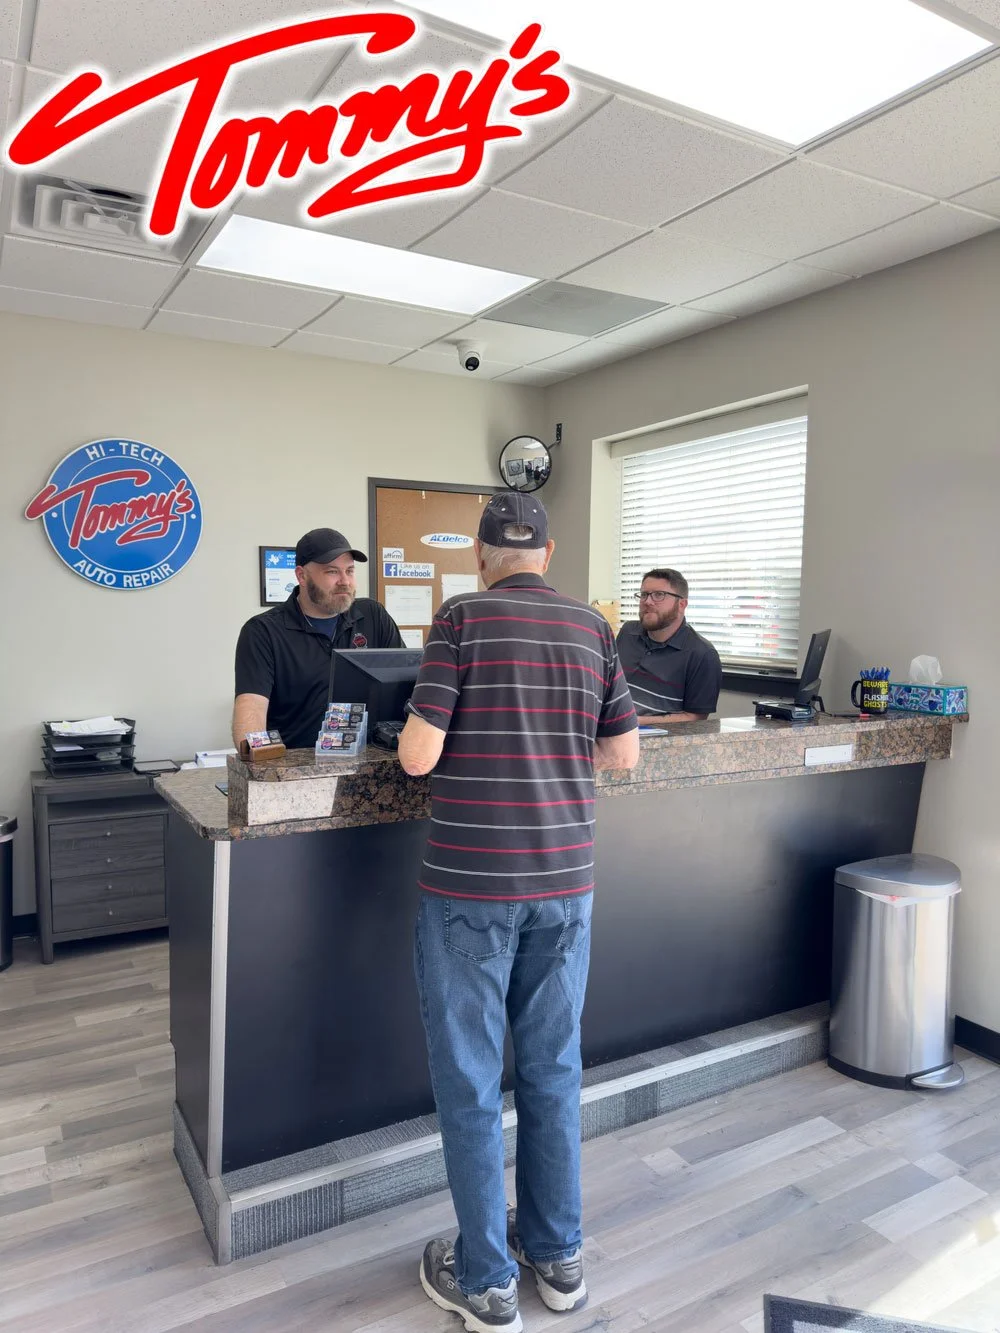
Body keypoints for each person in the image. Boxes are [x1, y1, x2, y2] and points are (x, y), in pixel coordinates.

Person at [397, 491, 639, 1333]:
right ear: (548, 550)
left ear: (479, 553)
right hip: (566, 884)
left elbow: (418, 755)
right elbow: (623, 752)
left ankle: (489, 1281)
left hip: (471, 886)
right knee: (551, 1069)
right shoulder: (595, 627)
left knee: (470, 1082)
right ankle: (558, 1256)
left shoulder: (460, 619)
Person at [232, 527, 402, 749]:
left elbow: (405, 685)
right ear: (302, 575)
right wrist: (261, 762)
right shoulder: (262, 631)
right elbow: (251, 709)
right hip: (296, 767)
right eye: (332, 572)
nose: (344, 581)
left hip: (373, 758)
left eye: (349, 571)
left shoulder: (373, 616)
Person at [616, 567, 722, 723]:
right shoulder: (628, 632)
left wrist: (630, 722)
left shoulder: (702, 654)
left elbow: (695, 718)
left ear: (681, 604)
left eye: (659, 595)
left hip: (654, 738)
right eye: (644, 594)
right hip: (605, 730)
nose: (648, 602)